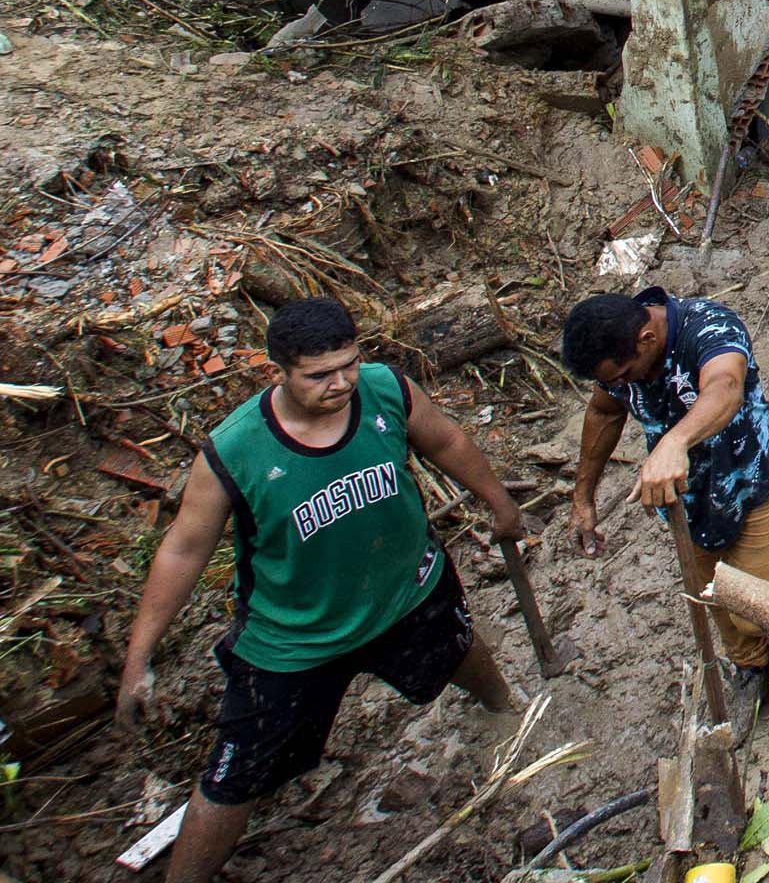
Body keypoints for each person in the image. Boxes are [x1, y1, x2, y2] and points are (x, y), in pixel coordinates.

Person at [115, 299, 525, 883]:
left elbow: (446, 441)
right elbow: (183, 550)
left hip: (406, 591)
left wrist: (499, 502)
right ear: (278, 369)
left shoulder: (385, 391)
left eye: (349, 365)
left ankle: (508, 718)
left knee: (460, 650)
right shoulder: (235, 451)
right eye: (318, 375)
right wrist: (138, 657)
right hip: (293, 641)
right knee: (237, 777)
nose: (340, 384)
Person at [561, 286, 769, 729]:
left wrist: (674, 441)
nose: (620, 386)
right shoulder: (620, 361)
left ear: (647, 339)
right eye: (612, 381)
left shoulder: (708, 326)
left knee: (750, 604)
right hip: (687, 505)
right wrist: (583, 495)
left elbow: (725, 388)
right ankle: (750, 668)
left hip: (754, 485)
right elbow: (605, 413)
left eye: (624, 375)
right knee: (713, 596)